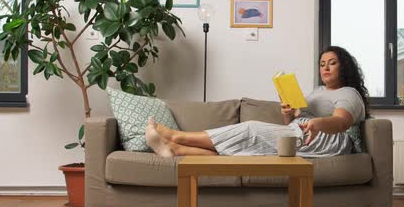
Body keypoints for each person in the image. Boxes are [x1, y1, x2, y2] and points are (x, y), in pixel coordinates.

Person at [145, 46, 370, 158]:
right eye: (322, 64)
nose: (326, 68)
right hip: (304, 132)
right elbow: (292, 122)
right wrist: (288, 112)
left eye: (332, 63)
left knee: (251, 128)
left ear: (344, 67)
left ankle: (174, 135)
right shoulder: (317, 92)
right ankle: (175, 149)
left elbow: (341, 122)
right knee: (243, 147)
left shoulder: (349, 94)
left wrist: (316, 124)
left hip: (330, 140)